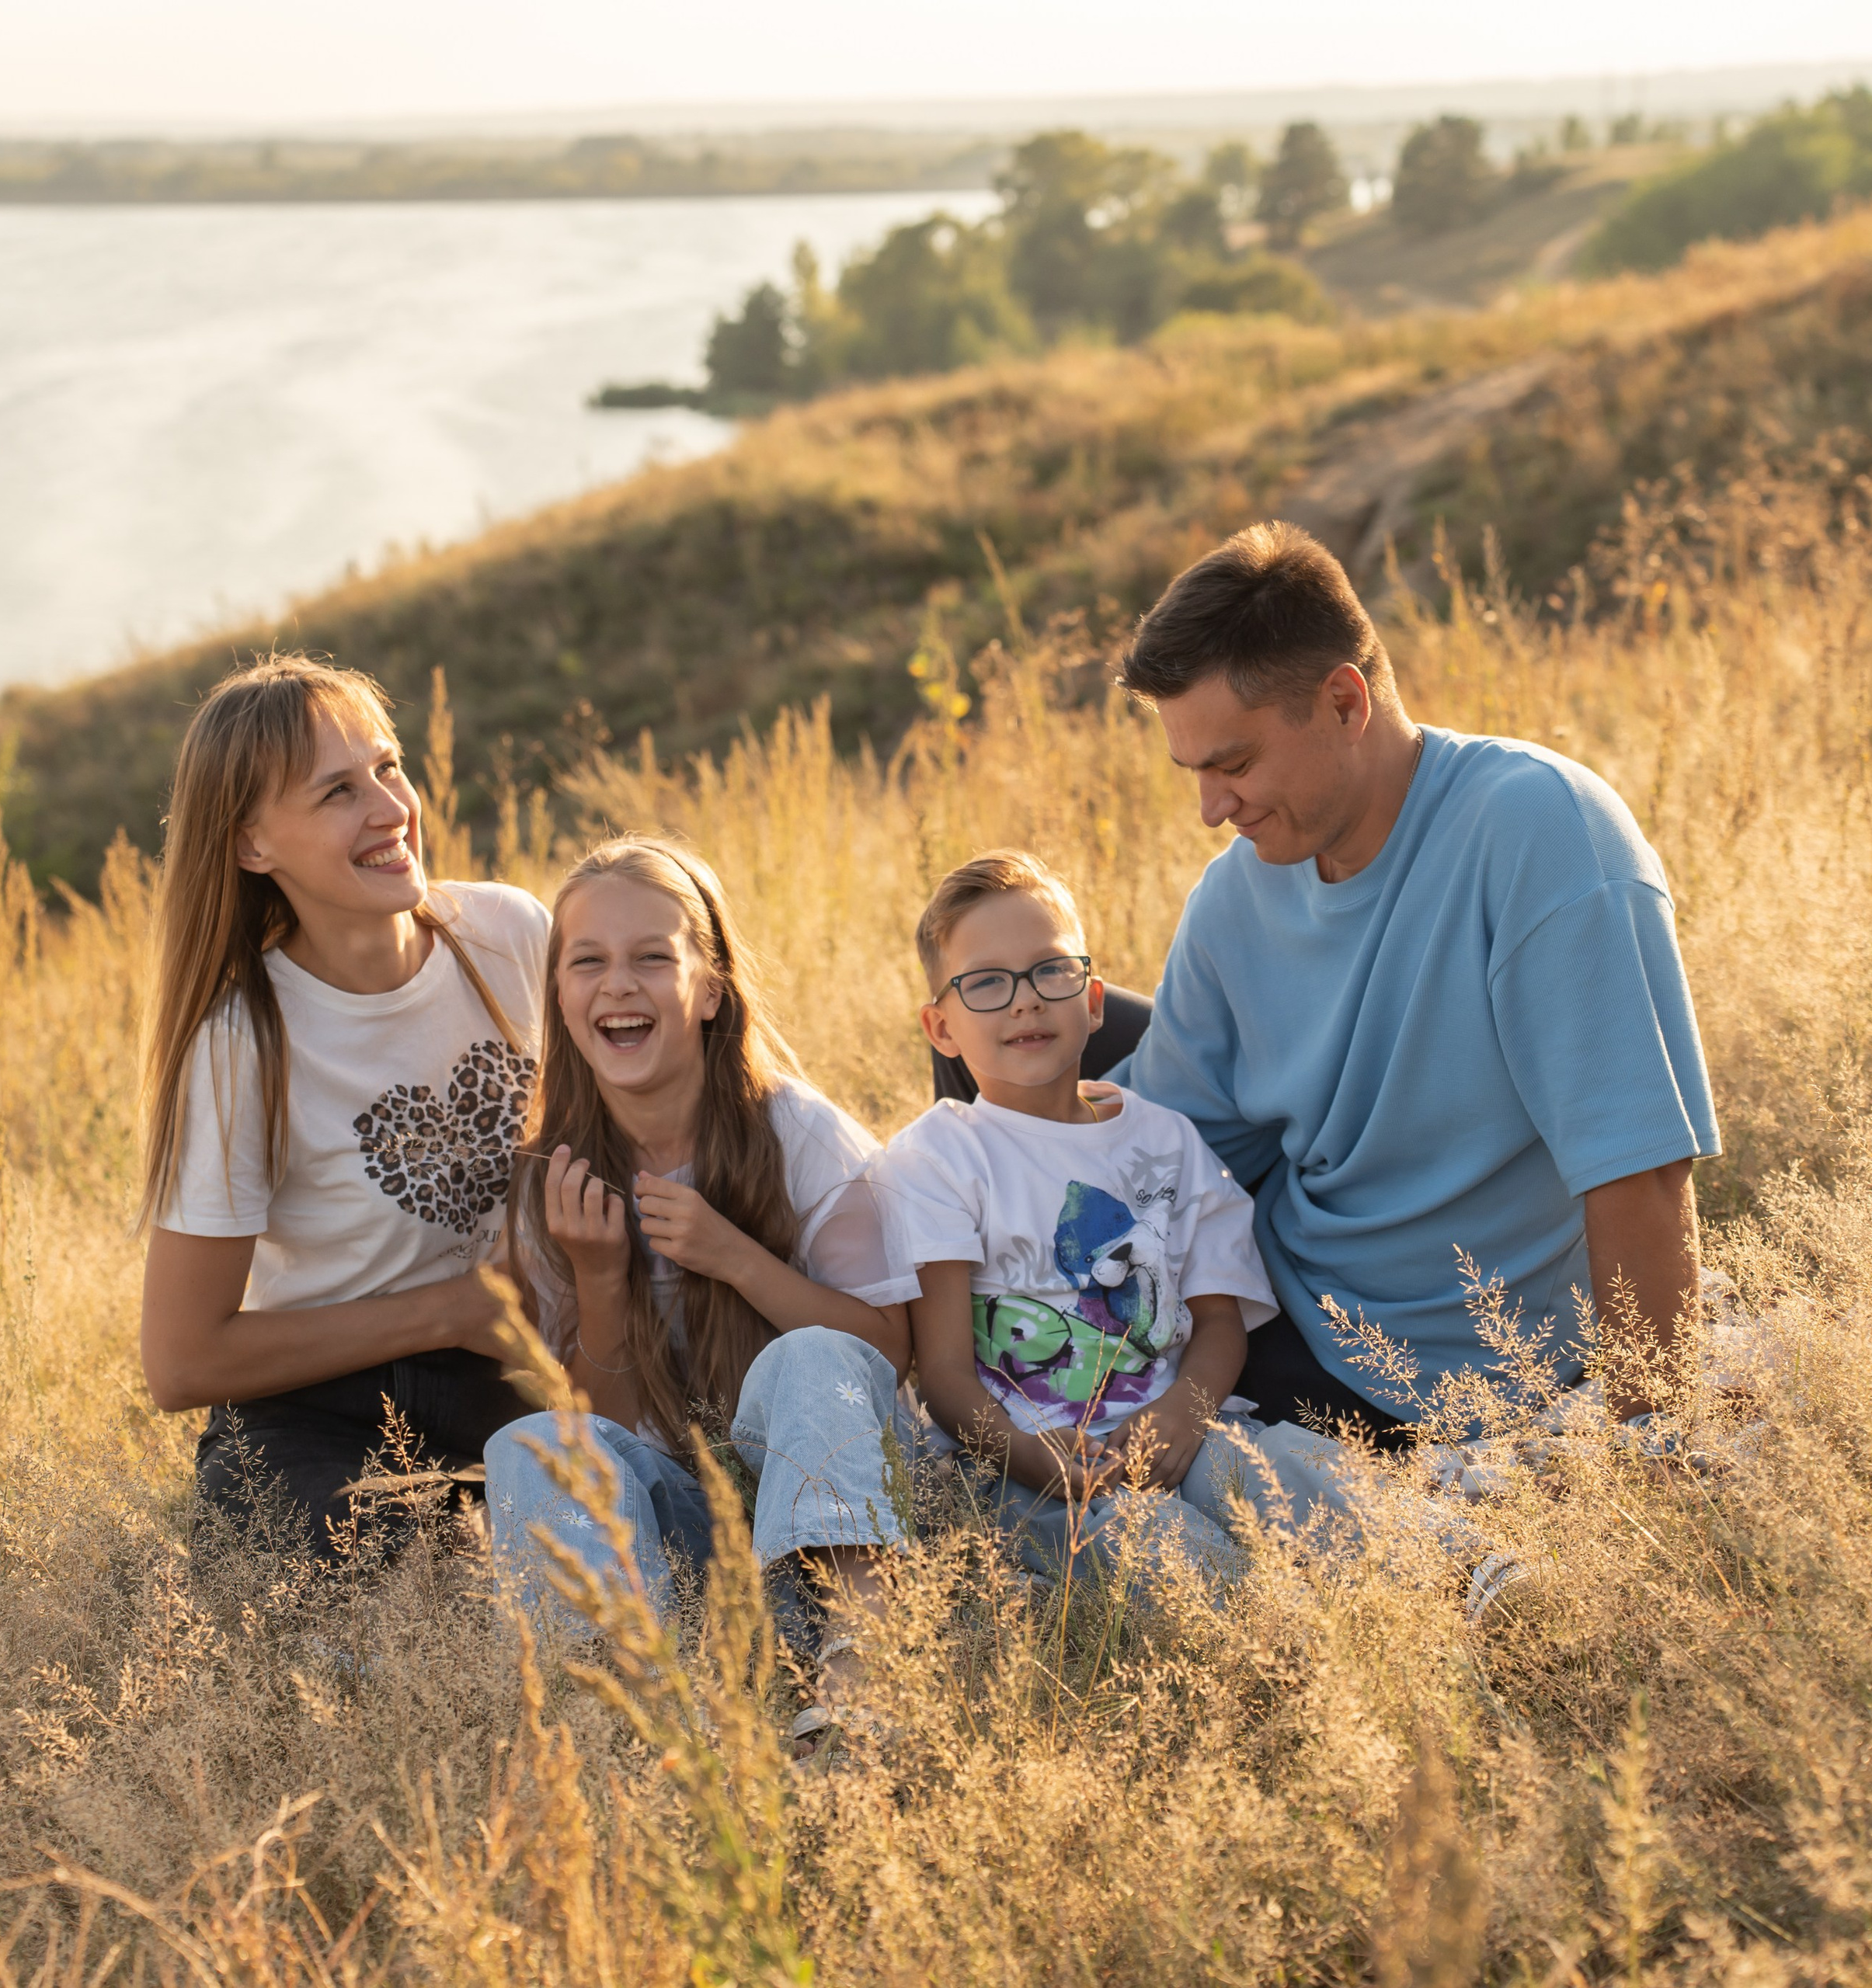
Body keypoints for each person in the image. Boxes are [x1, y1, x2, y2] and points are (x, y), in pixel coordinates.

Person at [1115, 522, 1718, 1439]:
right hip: (1271, 1288)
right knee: (992, 1021)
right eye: (1192, 772)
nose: (1209, 809)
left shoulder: (1537, 829)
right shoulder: (1236, 892)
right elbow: (1182, 1149)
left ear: (1345, 701)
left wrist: (1655, 1436)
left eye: (1233, 764)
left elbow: (1638, 1166)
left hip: (1424, 1370)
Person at [482, 836, 921, 1745]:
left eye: (653, 956)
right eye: (588, 962)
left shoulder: (798, 1133)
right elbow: (605, 1436)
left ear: (710, 986)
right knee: (532, 1442)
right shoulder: (551, 1179)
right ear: (560, 997)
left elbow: (886, 1352)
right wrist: (602, 1277)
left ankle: (863, 1678)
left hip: (831, 1543)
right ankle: (640, 1722)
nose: (619, 985)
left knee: (808, 1352)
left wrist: (736, 1258)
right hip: (695, 1568)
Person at [138, 655, 551, 1562]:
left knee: (611, 1526)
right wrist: (454, 1310)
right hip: (319, 1414)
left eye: (389, 767)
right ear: (253, 844)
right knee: (417, 1573)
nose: (389, 808)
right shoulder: (242, 1040)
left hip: (515, 1377)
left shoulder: (511, 934)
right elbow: (181, 1361)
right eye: (336, 792)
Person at [879, 850, 1359, 1581]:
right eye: (985, 984)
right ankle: (1278, 1643)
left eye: (1050, 971)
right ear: (940, 1029)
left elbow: (1220, 1320)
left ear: (1094, 1000)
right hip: (1023, 1469)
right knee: (1158, 1547)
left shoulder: (1165, 1141)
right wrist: (1037, 1461)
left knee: (1277, 1464)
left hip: (1175, 1429)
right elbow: (943, 1371)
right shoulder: (938, 1158)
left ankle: (1461, 1566)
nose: (1025, 1000)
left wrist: (1185, 1413)